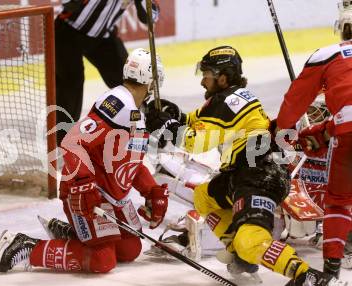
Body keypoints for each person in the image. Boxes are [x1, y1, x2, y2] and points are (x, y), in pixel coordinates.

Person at [145, 45, 348, 285]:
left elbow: (195, 141)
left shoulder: (228, 102)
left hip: (259, 177)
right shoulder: (228, 98)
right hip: (244, 175)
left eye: (206, 76)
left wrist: (167, 127)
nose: (202, 82)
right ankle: (241, 255)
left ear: (222, 77)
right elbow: (195, 120)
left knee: (250, 240)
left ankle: (308, 276)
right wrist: (174, 114)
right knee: (204, 197)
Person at [0, 48, 168, 274]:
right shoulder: (118, 102)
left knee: (130, 248)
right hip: (84, 191)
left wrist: (151, 190)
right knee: (103, 260)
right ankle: (25, 245)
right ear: (152, 82)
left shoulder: (135, 112)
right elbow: (73, 141)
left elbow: (127, 161)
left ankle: (71, 235)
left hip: (107, 195)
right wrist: (83, 185)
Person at [276, 0, 352, 281]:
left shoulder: (327, 55)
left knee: (339, 202)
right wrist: (326, 130)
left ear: (341, 28)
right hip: (341, 130)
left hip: (345, 137)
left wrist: (283, 135)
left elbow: (292, 106)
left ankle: (331, 272)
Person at [55, 0, 160, 144]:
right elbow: (69, 4)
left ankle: (142, 127)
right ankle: (62, 138)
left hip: (103, 37)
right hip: (68, 31)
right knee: (71, 81)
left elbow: (150, 16)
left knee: (131, 81)